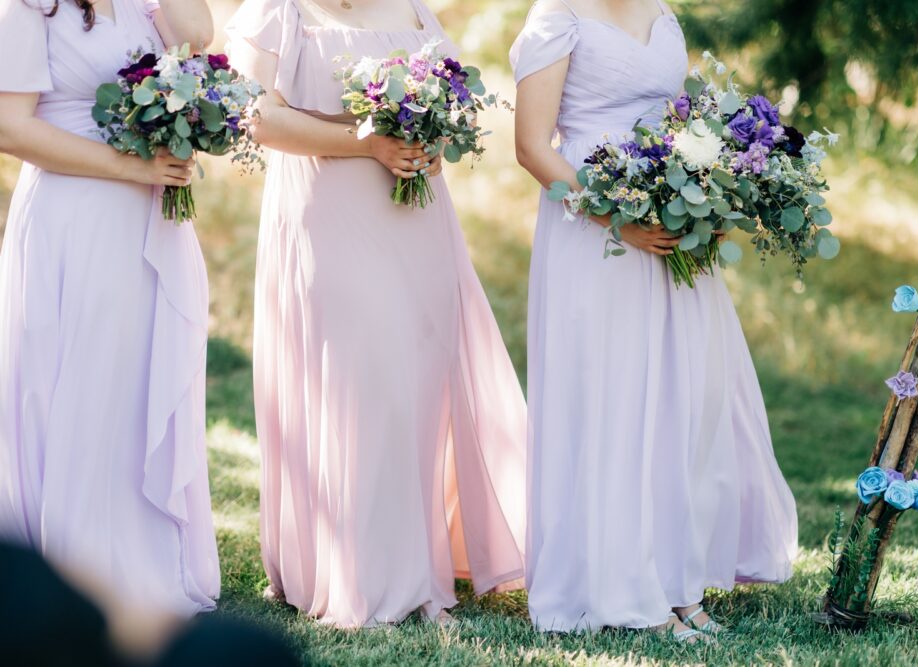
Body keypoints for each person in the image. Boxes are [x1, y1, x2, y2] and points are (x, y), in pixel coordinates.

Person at [226, 0, 528, 628]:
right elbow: (257, 115)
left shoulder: (414, 8)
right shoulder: (280, 9)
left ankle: (420, 565)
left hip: (416, 216)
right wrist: (370, 142)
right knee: (363, 381)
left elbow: (445, 105)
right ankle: (370, 575)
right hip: (328, 213)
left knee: (415, 384)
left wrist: (431, 144)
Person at [510, 0, 799, 640]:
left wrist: (714, 189)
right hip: (596, 228)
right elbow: (532, 147)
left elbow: (677, 120)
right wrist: (616, 218)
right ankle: (617, 579)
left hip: (674, 227)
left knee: (683, 398)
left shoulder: (663, 14)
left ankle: (679, 583)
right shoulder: (558, 18)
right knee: (615, 396)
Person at [0, 0, 220, 618]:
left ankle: (148, 557)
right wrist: (131, 166)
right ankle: (77, 570)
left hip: (149, 210)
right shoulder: (28, 6)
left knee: (137, 379)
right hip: (77, 216)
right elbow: (11, 128)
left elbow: (199, 38)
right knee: (84, 385)